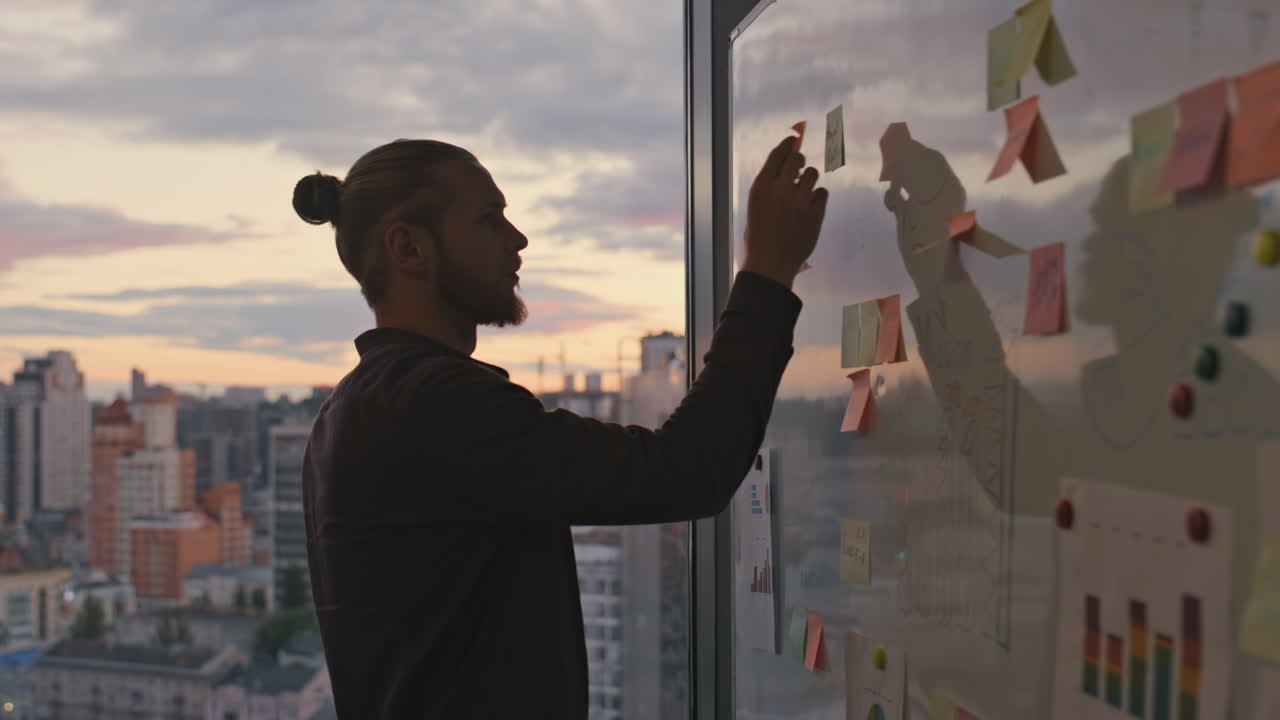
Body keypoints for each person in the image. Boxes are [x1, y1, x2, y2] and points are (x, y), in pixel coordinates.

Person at [291, 135, 827, 718]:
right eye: (490, 220)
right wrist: (768, 275)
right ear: (409, 248)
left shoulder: (351, 410)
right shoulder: (435, 405)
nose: (518, 240)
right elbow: (684, 469)